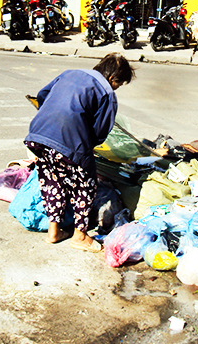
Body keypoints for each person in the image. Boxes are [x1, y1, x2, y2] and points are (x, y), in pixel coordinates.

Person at [24, 53, 136, 252]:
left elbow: (42, 96)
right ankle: (80, 235)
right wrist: (82, 147)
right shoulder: (107, 92)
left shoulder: (69, 73)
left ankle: (54, 231)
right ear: (113, 79)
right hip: (69, 141)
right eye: (119, 84)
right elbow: (100, 132)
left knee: (52, 180)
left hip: (37, 135)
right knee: (85, 185)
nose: (117, 88)